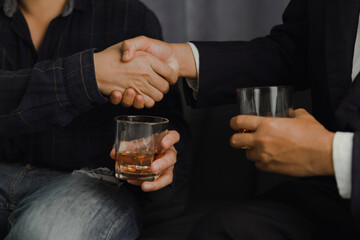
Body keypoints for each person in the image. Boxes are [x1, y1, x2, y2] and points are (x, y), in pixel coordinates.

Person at [117, 0, 360, 238]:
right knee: (223, 230)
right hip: (336, 192)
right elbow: (294, 49)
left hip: (346, 171)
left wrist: (331, 153)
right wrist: (180, 59)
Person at [0, 0, 191, 239]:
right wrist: (92, 74)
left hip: (94, 182)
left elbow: (167, 121)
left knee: (46, 233)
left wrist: (165, 149)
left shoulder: (129, 15)